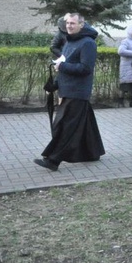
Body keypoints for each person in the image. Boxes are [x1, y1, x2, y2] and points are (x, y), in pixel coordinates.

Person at [34, 13, 105, 171]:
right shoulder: (69, 41)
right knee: (84, 123)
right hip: (67, 90)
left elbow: (86, 69)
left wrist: (62, 67)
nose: (69, 26)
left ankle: (53, 160)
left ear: (82, 24)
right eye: (67, 23)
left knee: (64, 126)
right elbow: (63, 64)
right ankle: (92, 152)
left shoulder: (88, 43)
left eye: (73, 23)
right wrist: (55, 84)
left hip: (77, 92)